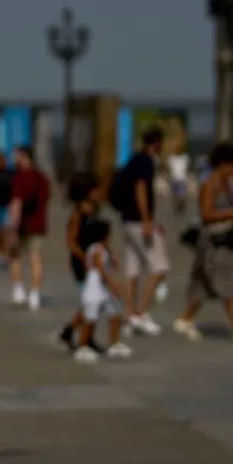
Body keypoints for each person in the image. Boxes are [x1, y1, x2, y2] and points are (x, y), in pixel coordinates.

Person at [174, 142, 233, 344]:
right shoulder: (210, 184)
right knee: (224, 281)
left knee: (203, 285)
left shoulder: (230, 183)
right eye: (232, 166)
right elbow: (206, 214)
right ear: (222, 164)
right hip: (213, 241)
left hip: (227, 239)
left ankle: (185, 319)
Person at [108, 127, 169, 336]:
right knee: (159, 268)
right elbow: (141, 189)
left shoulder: (134, 159)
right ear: (157, 143)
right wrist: (147, 219)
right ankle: (141, 313)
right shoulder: (146, 162)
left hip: (127, 221)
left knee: (132, 269)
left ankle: (130, 315)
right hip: (137, 220)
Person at [55, 172, 106, 351]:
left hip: (95, 261)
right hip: (83, 263)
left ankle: (76, 333)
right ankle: (80, 337)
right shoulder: (78, 214)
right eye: (96, 190)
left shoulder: (95, 209)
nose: (100, 193)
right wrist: (86, 259)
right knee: (94, 301)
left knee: (93, 301)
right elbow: (71, 241)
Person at [72, 219, 132, 363]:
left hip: (102, 289)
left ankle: (114, 343)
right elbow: (102, 270)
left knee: (114, 313)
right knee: (90, 318)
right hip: (94, 289)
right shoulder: (97, 250)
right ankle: (82, 346)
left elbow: (110, 266)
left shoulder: (103, 250)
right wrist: (114, 286)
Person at [6, 145, 50, 310]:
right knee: (36, 258)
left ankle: (18, 290)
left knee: (15, 255)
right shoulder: (42, 178)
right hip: (38, 223)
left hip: (23, 223)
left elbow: (17, 202)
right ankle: (35, 294)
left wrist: (13, 225)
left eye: (16, 156)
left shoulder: (20, 177)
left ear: (23, 156)